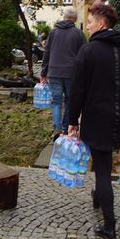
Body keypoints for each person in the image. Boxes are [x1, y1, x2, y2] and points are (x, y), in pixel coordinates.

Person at [68, 1, 120, 239]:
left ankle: (110, 226)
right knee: (103, 157)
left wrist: (72, 120)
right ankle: (97, 194)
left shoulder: (88, 51)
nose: (88, 26)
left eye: (90, 22)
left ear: (102, 24)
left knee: (103, 169)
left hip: (96, 116)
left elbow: (77, 90)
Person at [39, 8, 86, 140]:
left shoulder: (53, 32)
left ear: (64, 17)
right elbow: (84, 55)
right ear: (75, 19)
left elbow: (46, 53)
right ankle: (66, 129)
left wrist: (43, 72)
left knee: (56, 101)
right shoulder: (79, 34)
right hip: (72, 73)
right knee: (71, 101)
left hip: (54, 72)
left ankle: (57, 129)